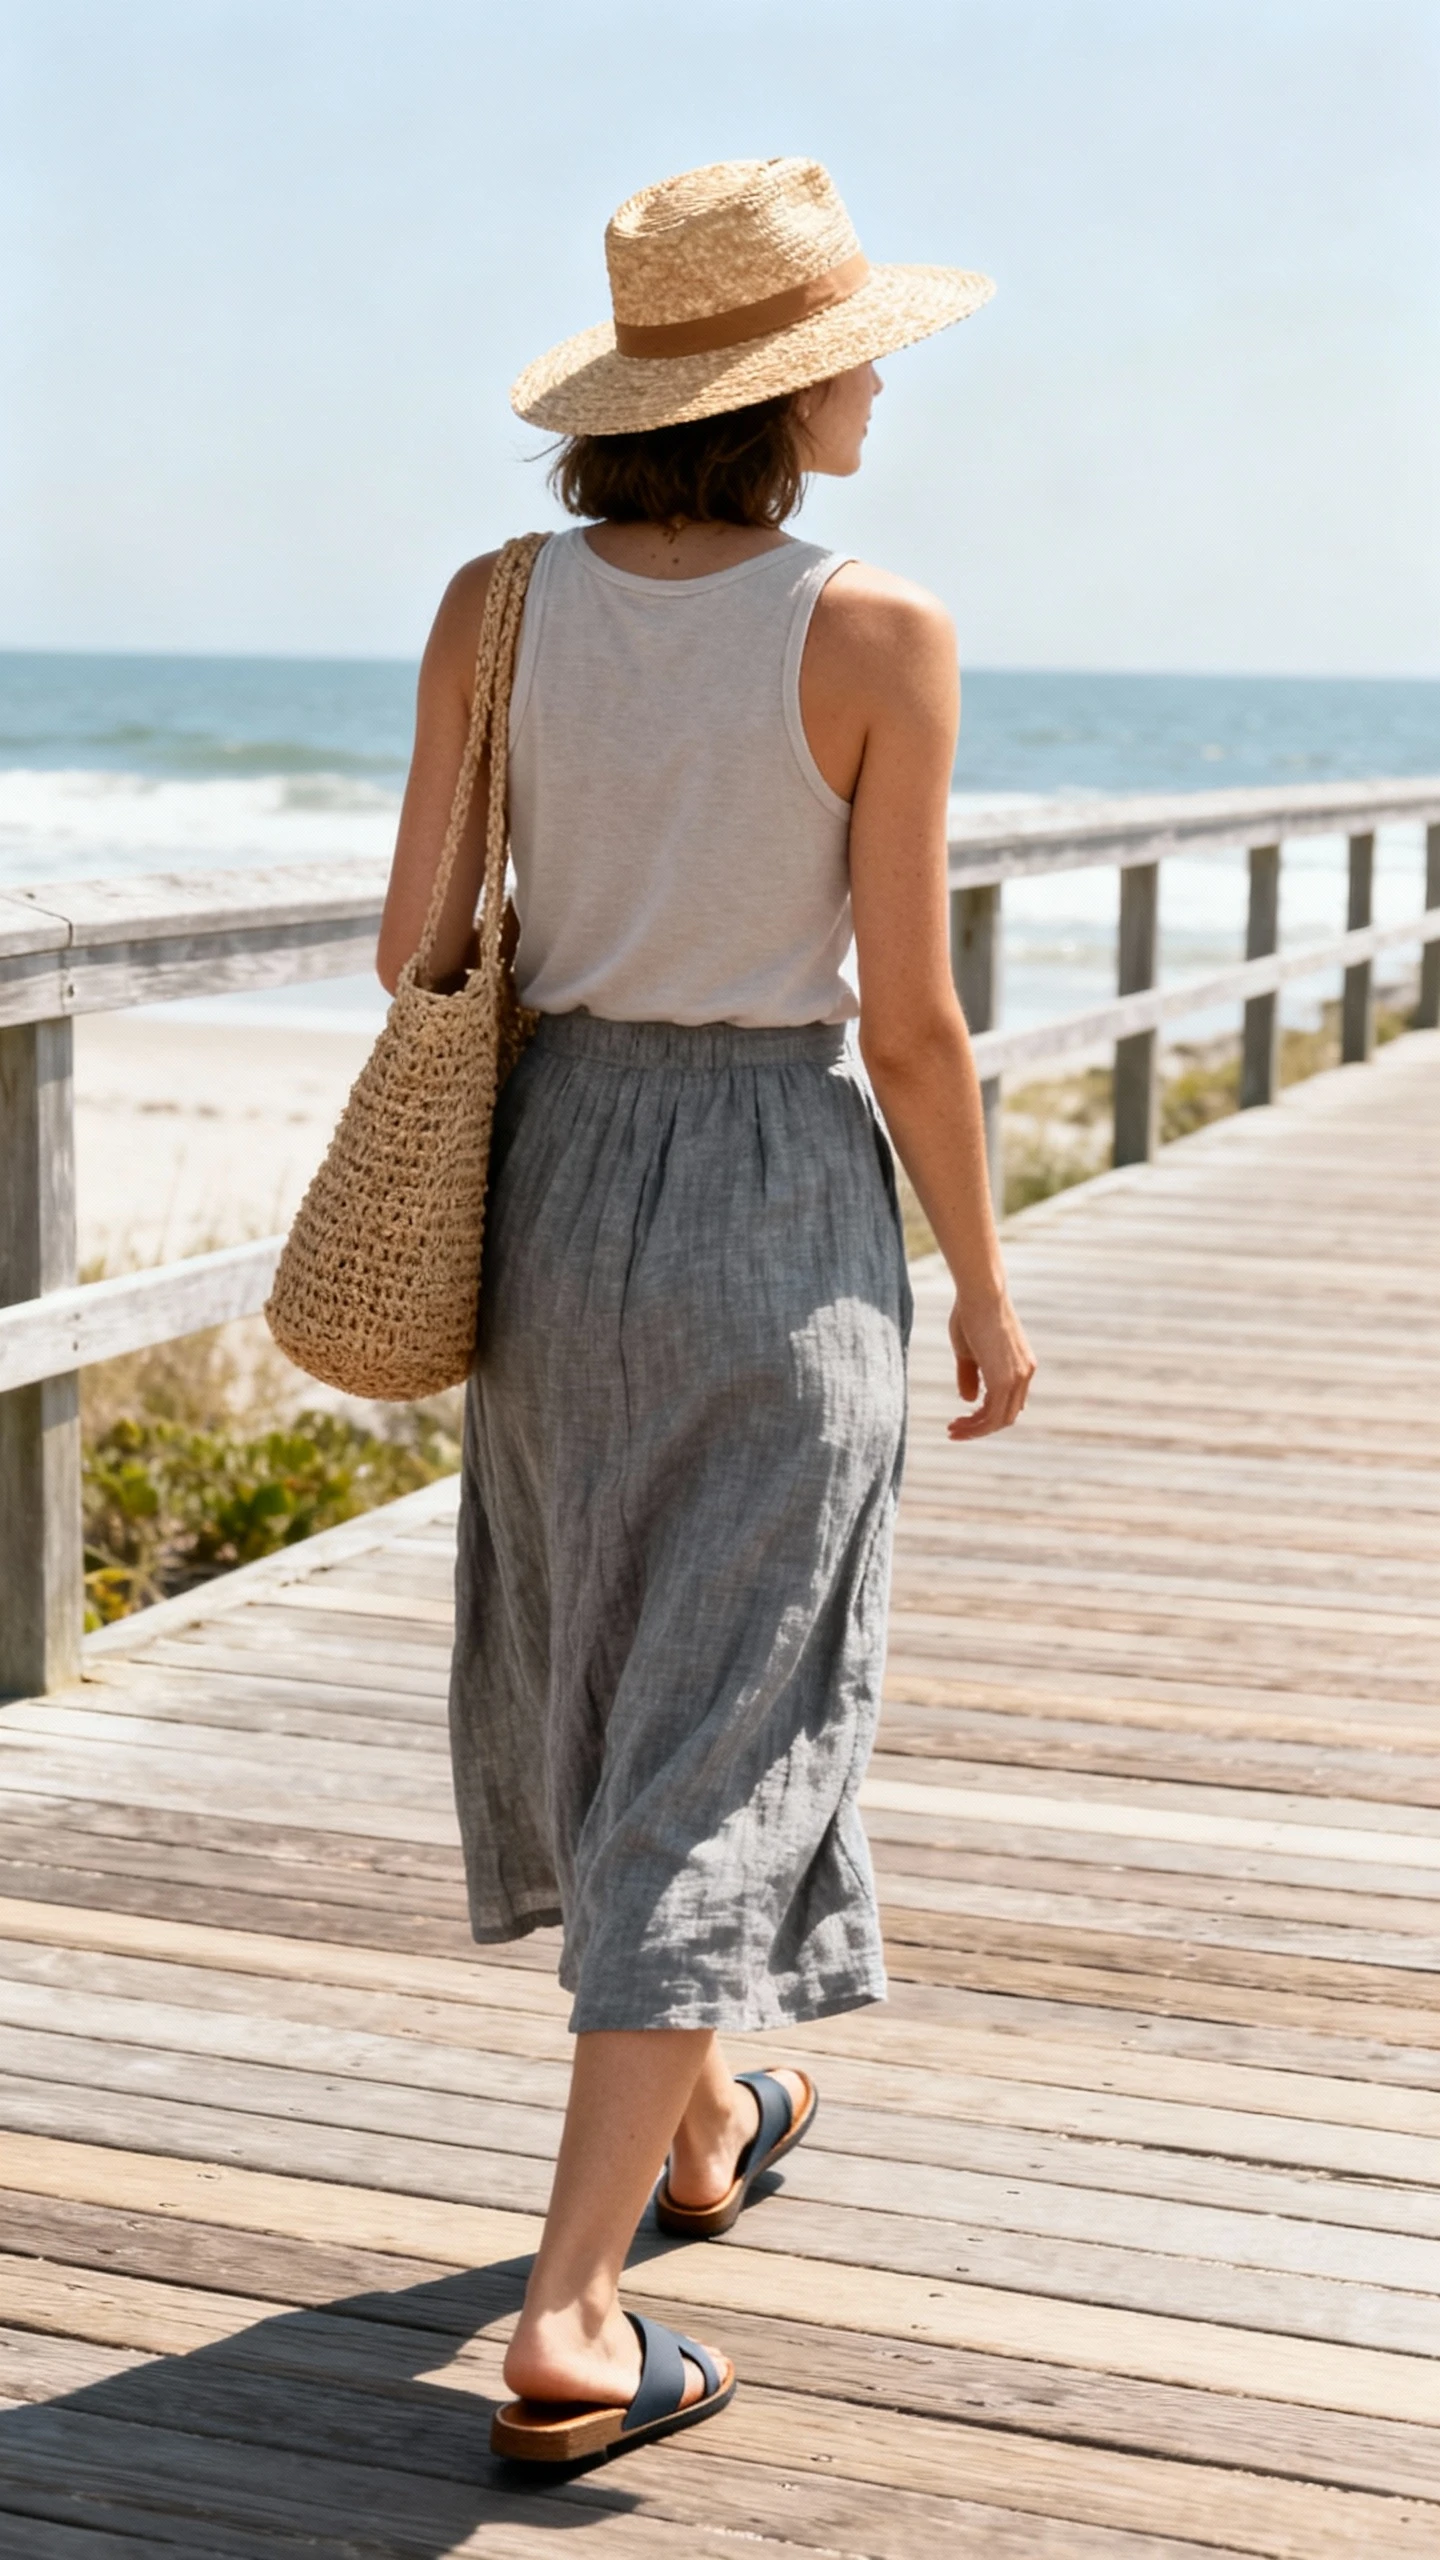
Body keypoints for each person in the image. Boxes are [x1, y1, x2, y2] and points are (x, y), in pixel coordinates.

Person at [377, 155, 1034, 2465]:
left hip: (556, 1191)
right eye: (858, 345)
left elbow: (414, 947)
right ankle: (568, 2317)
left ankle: (693, 2129)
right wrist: (982, 1278)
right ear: (786, 385)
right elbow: (917, 1024)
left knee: (606, 1658)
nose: (878, 376)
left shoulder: (496, 604)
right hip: (772, 1192)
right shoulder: (877, 631)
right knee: (733, 1721)